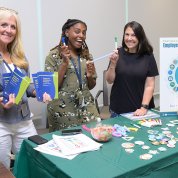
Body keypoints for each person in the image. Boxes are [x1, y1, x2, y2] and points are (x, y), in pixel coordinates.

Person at [0, 7, 50, 169]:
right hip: (1, 123)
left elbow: (27, 85)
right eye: (4, 25)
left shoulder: (19, 56)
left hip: (24, 120)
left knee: (34, 163)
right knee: (4, 169)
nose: (8, 30)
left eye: (13, 27)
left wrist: (39, 92)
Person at [44, 19, 99, 132]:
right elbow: (51, 89)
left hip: (86, 108)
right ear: (67, 32)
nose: (81, 35)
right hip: (63, 111)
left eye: (84, 32)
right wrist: (64, 63)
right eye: (77, 31)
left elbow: (91, 86)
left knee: (95, 137)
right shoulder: (53, 56)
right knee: (69, 145)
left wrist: (89, 76)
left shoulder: (87, 56)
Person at [106, 21, 159, 118]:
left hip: (141, 111)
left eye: (133, 35)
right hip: (118, 111)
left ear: (140, 37)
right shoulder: (118, 53)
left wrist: (143, 108)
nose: (129, 38)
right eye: (127, 34)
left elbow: (149, 85)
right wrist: (113, 64)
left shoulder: (148, 56)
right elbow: (109, 80)